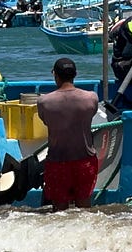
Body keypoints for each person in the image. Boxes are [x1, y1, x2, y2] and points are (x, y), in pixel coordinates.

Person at [36, 57, 100, 211]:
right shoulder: (91, 98)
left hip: (58, 162)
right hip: (85, 161)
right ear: (75, 74)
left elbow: (46, 121)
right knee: (84, 208)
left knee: (59, 210)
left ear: (55, 75)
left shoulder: (44, 101)